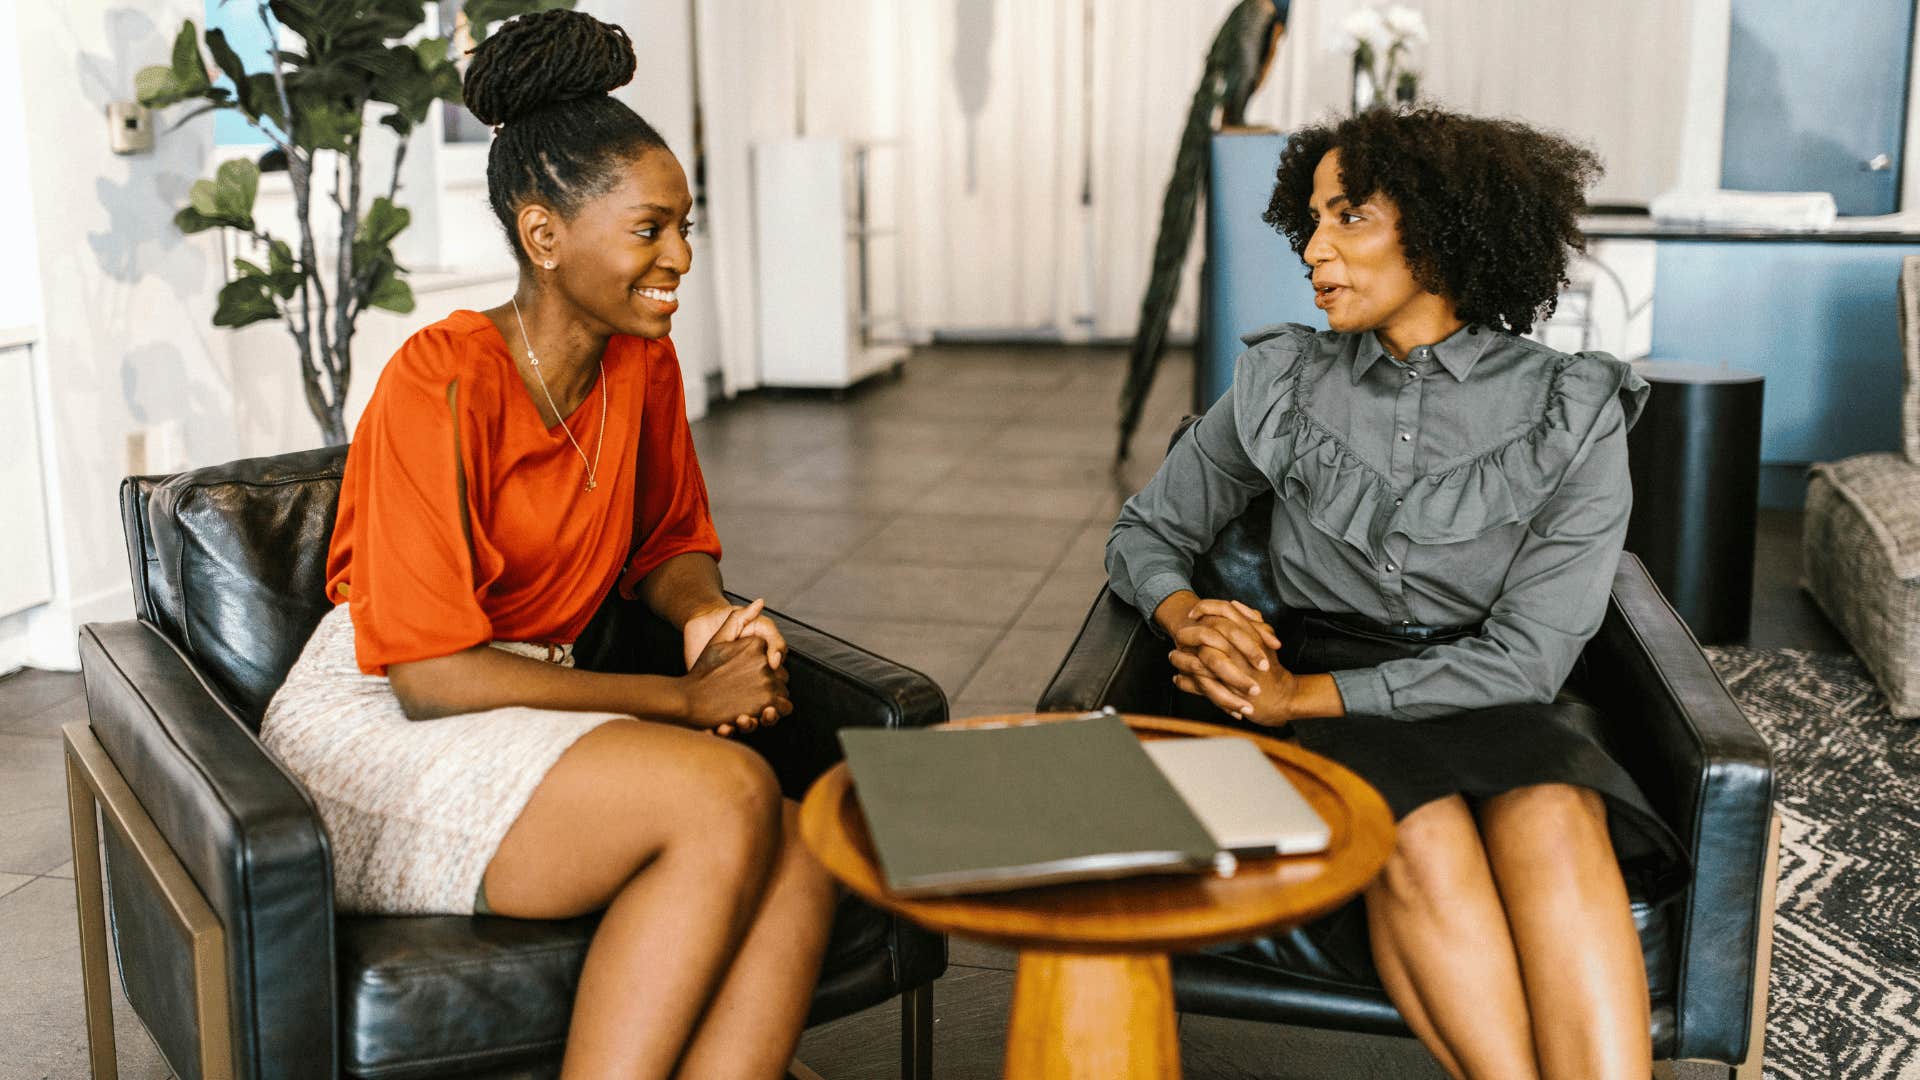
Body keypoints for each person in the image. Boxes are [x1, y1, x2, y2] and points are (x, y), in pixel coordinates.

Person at [260, 11, 837, 1078]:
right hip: (379, 720)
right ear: (543, 234)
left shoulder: (640, 363)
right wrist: (685, 700)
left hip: (523, 699)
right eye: (651, 229)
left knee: (804, 850)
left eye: (685, 226)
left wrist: (704, 618)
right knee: (728, 792)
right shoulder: (436, 382)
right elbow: (429, 675)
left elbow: (665, 544)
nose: (682, 258)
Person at [1105, 106, 1689, 1080]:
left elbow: (1532, 656)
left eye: (1351, 219)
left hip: (1498, 686)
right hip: (1324, 682)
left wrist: (1301, 695)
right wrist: (1187, 610)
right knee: (1417, 836)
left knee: (1558, 817)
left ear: (1445, 227)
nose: (1315, 249)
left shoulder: (1571, 404)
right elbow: (1147, 534)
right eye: (1314, 222)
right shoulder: (1282, 378)